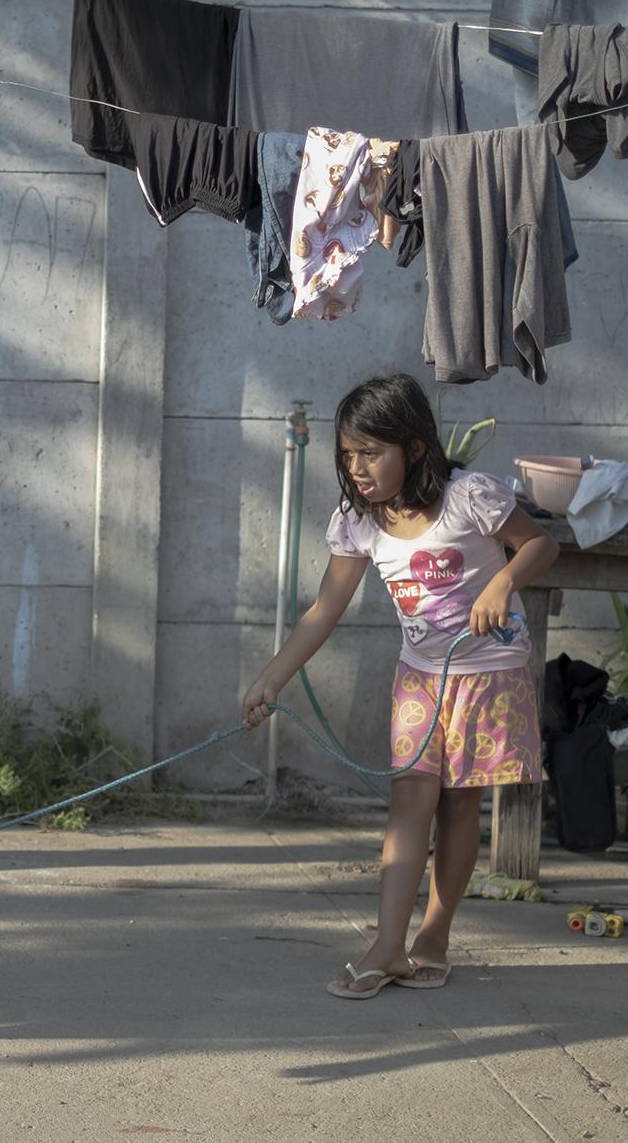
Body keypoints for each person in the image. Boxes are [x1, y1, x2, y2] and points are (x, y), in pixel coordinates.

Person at [241, 373, 558, 998]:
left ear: (414, 449)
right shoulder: (358, 519)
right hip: (419, 679)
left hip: (487, 677)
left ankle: (433, 936)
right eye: (347, 454)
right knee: (411, 799)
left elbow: (540, 544)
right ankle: (387, 945)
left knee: (461, 802)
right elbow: (323, 610)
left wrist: (503, 582)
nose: (356, 468)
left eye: (370, 453)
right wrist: (270, 679)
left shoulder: (471, 497)